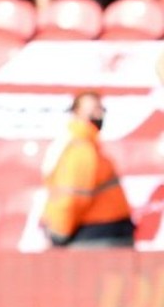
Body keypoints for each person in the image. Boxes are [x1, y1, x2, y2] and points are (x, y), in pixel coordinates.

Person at [40, 91, 135, 249]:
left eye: (101, 109)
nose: (99, 115)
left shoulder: (85, 146)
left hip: (103, 233)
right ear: (76, 112)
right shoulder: (81, 149)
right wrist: (58, 234)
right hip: (97, 236)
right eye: (93, 110)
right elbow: (72, 197)